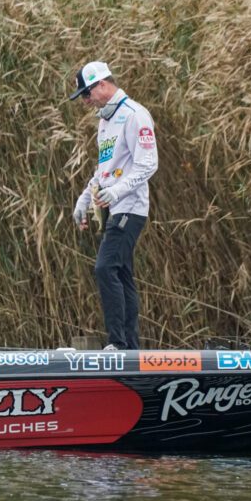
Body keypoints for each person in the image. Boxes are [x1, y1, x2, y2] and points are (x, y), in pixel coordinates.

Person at [69, 61, 158, 351]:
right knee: (120, 273)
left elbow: (148, 164)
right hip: (114, 207)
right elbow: (103, 170)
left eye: (86, 93)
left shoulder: (135, 115)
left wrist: (117, 192)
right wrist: (84, 200)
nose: (85, 101)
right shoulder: (105, 121)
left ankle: (118, 344)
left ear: (102, 85)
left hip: (130, 207)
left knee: (105, 268)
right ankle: (130, 346)